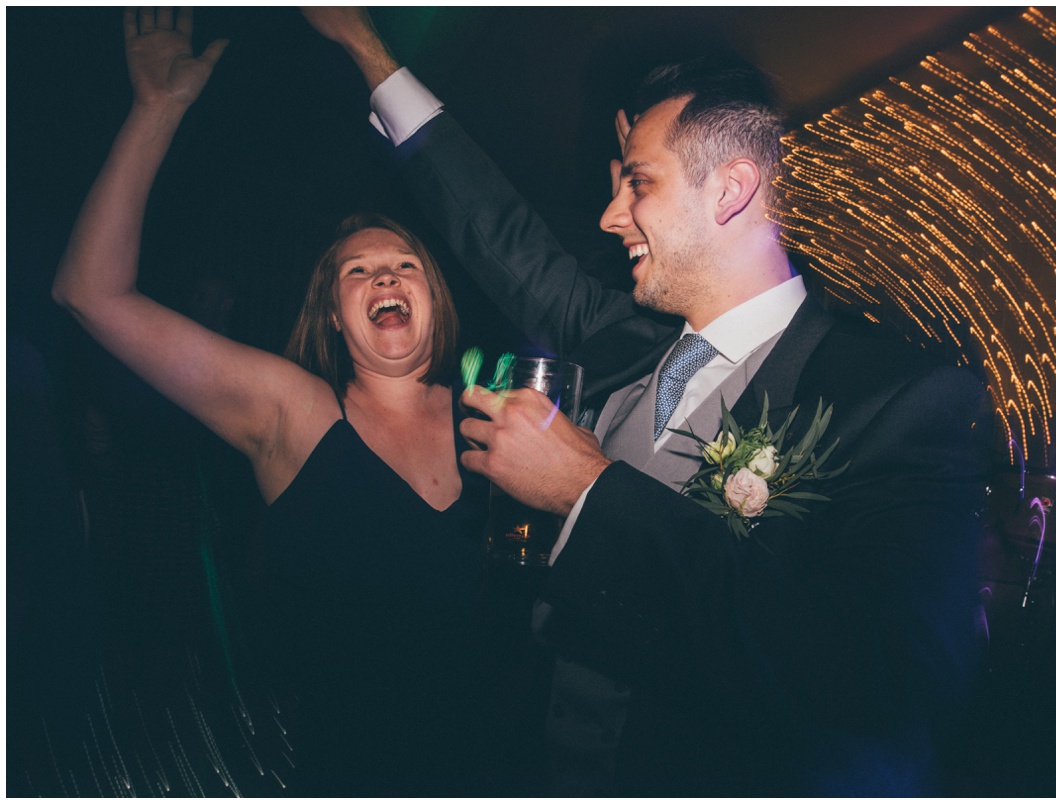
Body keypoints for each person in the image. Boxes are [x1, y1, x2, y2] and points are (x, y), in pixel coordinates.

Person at [306, 9, 991, 795]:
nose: (608, 215)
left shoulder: (895, 401)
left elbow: (878, 683)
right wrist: (366, 50)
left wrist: (588, 493)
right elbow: (501, 236)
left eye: (638, 182)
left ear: (731, 190)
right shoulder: (624, 342)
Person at [52, 9, 490, 795]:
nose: (385, 278)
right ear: (331, 313)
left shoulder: (497, 421)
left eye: (404, 265)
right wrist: (158, 111)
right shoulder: (294, 412)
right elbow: (91, 293)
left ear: (436, 297)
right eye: (358, 272)